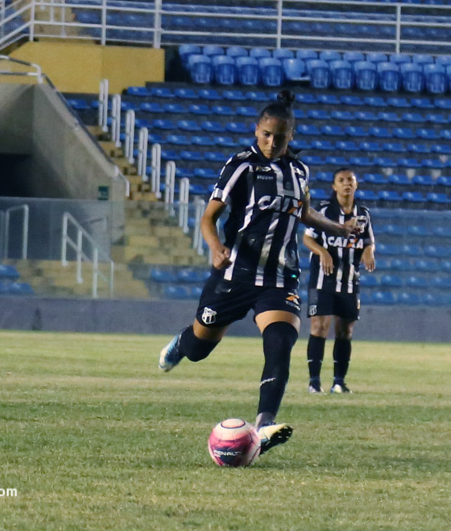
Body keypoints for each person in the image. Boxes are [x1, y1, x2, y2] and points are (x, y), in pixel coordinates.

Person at [157, 90, 360, 455]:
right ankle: (182, 342)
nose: (271, 142)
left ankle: (264, 426)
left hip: (280, 276)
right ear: (257, 130)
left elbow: (304, 212)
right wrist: (216, 246)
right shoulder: (241, 166)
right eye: (266, 134)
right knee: (200, 347)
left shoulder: (300, 171)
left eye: (280, 137)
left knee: (281, 342)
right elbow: (209, 216)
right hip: (235, 273)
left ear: (290, 136)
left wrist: (337, 228)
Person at [303, 168, 376, 395]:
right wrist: (323, 253)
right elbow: (307, 238)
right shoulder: (324, 211)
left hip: (350, 280)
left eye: (350, 180)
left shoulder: (363, 214)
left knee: (345, 331)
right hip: (322, 280)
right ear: (334, 186)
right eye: (341, 181)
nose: (346, 184)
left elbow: (368, 241)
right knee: (319, 326)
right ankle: (314, 382)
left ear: (356, 185)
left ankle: (339, 382)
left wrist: (369, 252)